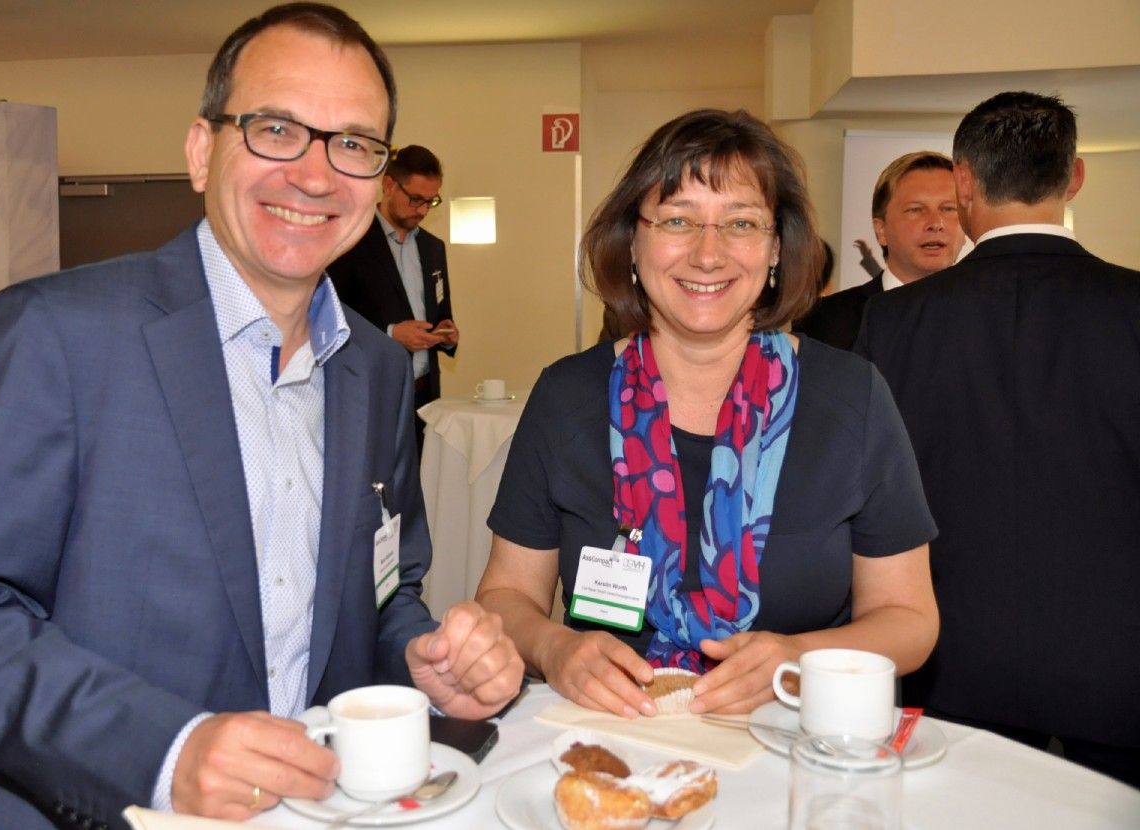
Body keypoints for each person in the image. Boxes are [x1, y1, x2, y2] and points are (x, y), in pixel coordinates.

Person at [0, 5, 523, 828]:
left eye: (354, 143)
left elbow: (385, 590)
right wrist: (165, 752)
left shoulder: (379, 371)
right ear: (201, 151)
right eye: (276, 129)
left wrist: (419, 660)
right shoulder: (59, 333)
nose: (316, 176)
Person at [476, 108, 939, 719]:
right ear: (633, 242)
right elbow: (505, 595)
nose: (707, 254)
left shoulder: (852, 397)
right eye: (677, 220)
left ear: (776, 248)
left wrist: (798, 658)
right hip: (613, 737)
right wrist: (553, 647)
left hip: (791, 739)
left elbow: (909, 619)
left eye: (741, 223)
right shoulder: (566, 396)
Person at [855, 91, 1140, 787]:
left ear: (964, 183)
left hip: (948, 661)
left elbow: (863, 494)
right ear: (1074, 177)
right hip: (1118, 663)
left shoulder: (893, 322)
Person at [327, 145, 457, 452]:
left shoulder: (433, 248)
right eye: (416, 199)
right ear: (388, 185)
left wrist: (447, 334)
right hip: (369, 391)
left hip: (424, 396)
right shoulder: (349, 240)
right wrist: (390, 334)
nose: (423, 210)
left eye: (431, 201)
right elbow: (328, 315)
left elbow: (441, 310)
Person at [798, 152, 964, 350]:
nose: (936, 223)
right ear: (881, 230)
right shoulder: (824, 320)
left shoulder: (986, 315)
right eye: (916, 209)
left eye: (948, 209)